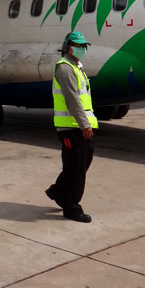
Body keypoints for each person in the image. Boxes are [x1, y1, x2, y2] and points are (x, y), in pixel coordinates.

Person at [45, 30, 99, 223]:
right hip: (71, 127)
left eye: (84, 46)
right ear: (68, 47)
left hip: (79, 126)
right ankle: (72, 208)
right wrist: (84, 124)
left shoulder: (77, 67)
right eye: (78, 45)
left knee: (80, 164)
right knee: (76, 168)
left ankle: (58, 191)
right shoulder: (65, 68)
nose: (82, 48)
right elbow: (72, 99)